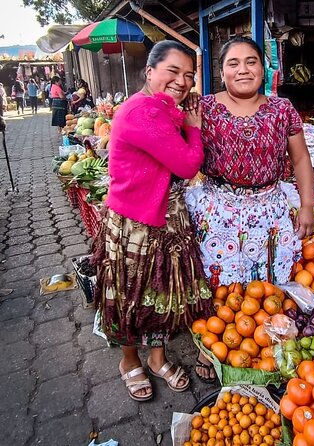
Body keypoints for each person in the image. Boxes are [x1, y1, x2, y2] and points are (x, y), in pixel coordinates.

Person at [185, 36, 314, 380]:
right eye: (233, 63)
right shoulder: (204, 107)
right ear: (222, 72)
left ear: (263, 67)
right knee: (219, 283)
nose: (243, 69)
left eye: (251, 61)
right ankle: (212, 349)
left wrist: (307, 206)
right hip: (220, 211)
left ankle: (268, 347)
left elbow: (300, 159)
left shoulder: (282, 109)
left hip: (269, 211)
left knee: (270, 282)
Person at [92, 40, 212, 401]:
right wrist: (194, 128)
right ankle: (130, 361)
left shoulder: (161, 108)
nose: (182, 81)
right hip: (135, 223)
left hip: (166, 217)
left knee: (163, 295)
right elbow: (189, 165)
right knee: (129, 297)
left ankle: (158, 357)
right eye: (172, 71)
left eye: (189, 75)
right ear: (149, 72)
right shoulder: (141, 112)